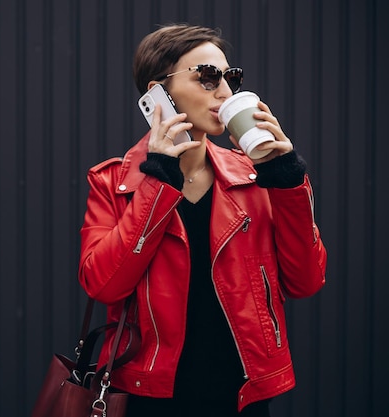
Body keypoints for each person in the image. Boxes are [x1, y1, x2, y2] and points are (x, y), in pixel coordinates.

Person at [77, 23, 327, 417]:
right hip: (149, 399)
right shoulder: (115, 183)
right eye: (208, 77)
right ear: (158, 93)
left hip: (241, 397)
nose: (226, 92)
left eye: (230, 77)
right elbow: (104, 285)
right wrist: (159, 181)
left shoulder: (256, 178)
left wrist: (288, 182)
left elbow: (306, 280)